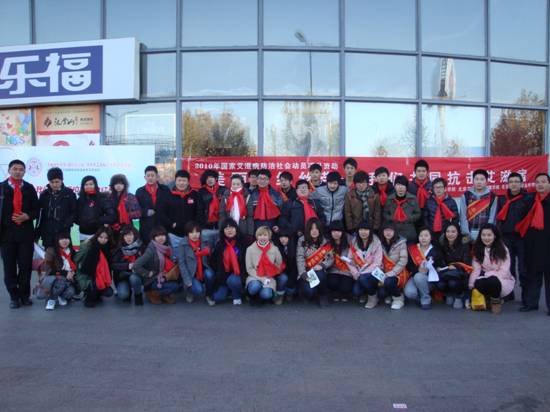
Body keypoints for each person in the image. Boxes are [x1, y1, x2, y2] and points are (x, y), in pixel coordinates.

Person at [0, 160, 39, 308]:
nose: (18, 172)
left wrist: (27, 216)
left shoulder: (29, 188)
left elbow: (37, 210)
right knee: (9, 268)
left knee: (25, 267)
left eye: (21, 169)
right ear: (9, 170)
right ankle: (14, 297)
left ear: (24, 171)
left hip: (25, 235)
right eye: (15, 169)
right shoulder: (1, 188)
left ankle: (24, 295)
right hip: (6, 235)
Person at [518, 172, 550, 314]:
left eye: (543, 182)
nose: (540, 184)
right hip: (533, 243)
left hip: (548, 243)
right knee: (533, 274)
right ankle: (531, 303)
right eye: (537, 182)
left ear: (549, 184)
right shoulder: (530, 200)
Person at [495, 172, 529, 303]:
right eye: (511, 182)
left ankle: (526, 297)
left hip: (522, 238)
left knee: (523, 268)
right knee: (508, 267)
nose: (514, 184)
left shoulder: (527, 199)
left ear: (521, 183)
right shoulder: (502, 199)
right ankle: (509, 293)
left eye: (516, 181)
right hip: (506, 237)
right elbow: (498, 219)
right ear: (508, 184)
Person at [469, 223, 515, 314]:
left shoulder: (503, 249)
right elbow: (476, 269)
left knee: (493, 281)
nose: (486, 238)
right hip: (485, 276)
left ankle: (495, 301)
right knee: (477, 283)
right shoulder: (477, 249)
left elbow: (505, 270)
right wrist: (471, 283)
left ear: (495, 236)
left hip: (501, 278)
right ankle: (487, 298)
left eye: (489, 235)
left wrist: (490, 275)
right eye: (483, 235)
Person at [132, 226, 181, 305]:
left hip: (165, 275)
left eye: (162, 235)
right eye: (157, 236)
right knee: (174, 286)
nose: (161, 238)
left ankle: (164, 295)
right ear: (154, 238)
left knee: (179, 283)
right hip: (153, 279)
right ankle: (153, 293)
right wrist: (147, 273)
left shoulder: (167, 248)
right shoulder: (151, 250)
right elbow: (136, 266)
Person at [404, 228, 445, 310]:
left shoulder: (436, 250)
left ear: (431, 237)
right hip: (415, 276)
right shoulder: (412, 249)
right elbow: (408, 266)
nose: (423, 238)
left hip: (430, 279)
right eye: (421, 236)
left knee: (419, 276)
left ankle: (426, 299)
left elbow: (441, 265)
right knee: (410, 293)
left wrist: (433, 269)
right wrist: (418, 269)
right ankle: (420, 296)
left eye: (426, 236)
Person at [296, 218, 334, 307]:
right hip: (307, 271)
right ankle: (308, 292)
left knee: (321, 274)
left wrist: (322, 265)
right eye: (311, 228)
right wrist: (303, 273)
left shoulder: (325, 241)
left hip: (319, 270)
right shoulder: (302, 240)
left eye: (316, 228)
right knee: (309, 291)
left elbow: (331, 258)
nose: (314, 231)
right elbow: (299, 257)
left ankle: (322, 295)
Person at [36, 167, 77, 248]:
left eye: (57, 182)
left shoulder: (69, 193)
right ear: (48, 181)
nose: (54, 184)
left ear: (62, 180)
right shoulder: (44, 194)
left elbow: (74, 212)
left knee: (64, 255)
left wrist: (66, 224)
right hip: (47, 234)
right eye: (52, 182)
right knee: (49, 254)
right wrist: (38, 231)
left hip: (63, 234)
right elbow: (41, 215)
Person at [176, 221, 216, 306]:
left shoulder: (205, 240)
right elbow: (181, 264)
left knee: (209, 274)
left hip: (203, 268)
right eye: (191, 232)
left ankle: (209, 295)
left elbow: (212, 257)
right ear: (187, 233)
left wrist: (209, 252)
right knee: (198, 290)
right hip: (191, 273)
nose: (195, 235)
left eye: (197, 232)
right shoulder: (183, 244)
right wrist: (187, 280)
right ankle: (189, 291)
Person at [210, 219, 248, 305]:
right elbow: (213, 261)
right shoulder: (220, 244)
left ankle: (237, 295)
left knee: (234, 280)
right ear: (223, 231)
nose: (229, 230)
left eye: (231, 227)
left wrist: (242, 275)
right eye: (226, 228)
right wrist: (219, 272)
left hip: (238, 275)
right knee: (217, 297)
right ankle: (230, 289)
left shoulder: (243, 242)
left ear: (236, 229)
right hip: (224, 276)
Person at [75, 227, 115, 308]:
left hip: (100, 276)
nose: (103, 240)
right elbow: (76, 260)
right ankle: (88, 296)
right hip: (86, 275)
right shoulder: (87, 246)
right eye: (101, 237)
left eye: (106, 238)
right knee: (94, 286)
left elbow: (108, 267)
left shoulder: (108, 249)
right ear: (97, 236)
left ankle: (97, 294)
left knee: (109, 292)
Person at [245, 226, 286, 305]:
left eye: (265, 235)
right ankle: (251, 296)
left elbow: (279, 263)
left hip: (268, 277)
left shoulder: (274, 248)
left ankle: (260, 297)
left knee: (266, 295)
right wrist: (261, 279)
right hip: (255, 276)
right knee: (254, 287)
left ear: (269, 237)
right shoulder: (250, 249)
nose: (262, 237)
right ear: (257, 236)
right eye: (260, 235)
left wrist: (272, 269)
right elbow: (249, 269)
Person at [37, 232, 78, 310]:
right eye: (61, 239)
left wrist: (73, 273)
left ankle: (59, 296)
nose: (65, 241)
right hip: (54, 277)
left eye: (67, 238)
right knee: (61, 281)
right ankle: (51, 300)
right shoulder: (51, 250)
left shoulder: (71, 251)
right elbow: (48, 269)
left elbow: (75, 266)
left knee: (70, 292)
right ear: (57, 240)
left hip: (68, 278)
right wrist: (65, 273)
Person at [347, 221, 383, 309]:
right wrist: (355, 272)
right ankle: (366, 292)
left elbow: (377, 262)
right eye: (361, 229)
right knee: (356, 292)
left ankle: (373, 296)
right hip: (359, 272)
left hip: (373, 272)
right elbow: (349, 260)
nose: (363, 232)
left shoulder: (376, 242)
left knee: (363, 278)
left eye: (366, 229)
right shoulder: (354, 242)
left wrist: (362, 273)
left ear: (370, 231)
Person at [437, 222, 472, 310]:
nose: (450, 234)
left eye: (453, 231)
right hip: (446, 271)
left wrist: (456, 266)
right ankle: (448, 294)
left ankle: (458, 295)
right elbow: (440, 260)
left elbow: (467, 264)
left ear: (458, 233)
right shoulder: (442, 243)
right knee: (440, 284)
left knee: (453, 282)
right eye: (448, 231)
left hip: (460, 273)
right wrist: (441, 267)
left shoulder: (464, 244)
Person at [167, 169, 204, 250]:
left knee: (191, 254)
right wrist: (171, 224)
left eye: (184, 181)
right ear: (175, 181)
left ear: (188, 182)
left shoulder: (195, 195)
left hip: (192, 234)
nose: (181, 183)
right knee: (176, 255)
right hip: (174, 234)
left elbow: (200, 212)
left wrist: (195, 228)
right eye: (179, 180)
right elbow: (163, 213)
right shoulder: (168, 195)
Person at [135, 165, 171, 243]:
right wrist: (145, 212)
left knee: (162, 247)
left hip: (162, 225)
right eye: (148, 176)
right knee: (148, 247)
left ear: (157, 177)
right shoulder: (139, 191)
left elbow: (170, 206)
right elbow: (136, 210)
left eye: (152, 175)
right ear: (145, 177)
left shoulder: (165, 189)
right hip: (146, 226)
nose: (150, 178)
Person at [459, 169, 497, 243]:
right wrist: (466, 233)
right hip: (469, 232)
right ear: (473, 180)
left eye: (482, 179)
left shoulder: (492, 196)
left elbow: (492, 217)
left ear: (486, 181)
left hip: (485, 236)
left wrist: (487, 234)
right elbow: (463, 216)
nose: (479, 182)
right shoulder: (466, 195)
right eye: (476, 179)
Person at [75, 175, 116, 242]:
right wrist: (81, 222)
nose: (88, 186)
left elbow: (112, 216)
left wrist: (97, 220)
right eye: (86, 184)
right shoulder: (80, 199)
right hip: (82, 233)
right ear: (83, 186)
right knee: (83, 249)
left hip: (98, 234)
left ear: (95, 185)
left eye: (91, 184)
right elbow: (75, 215)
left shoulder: (102, 198)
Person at [378, 222, 409, 310]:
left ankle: (398, 298)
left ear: (395, 231)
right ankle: (391, 294)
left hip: (398, 272)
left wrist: (391, 273)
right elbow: (378, 259)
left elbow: (403, 261)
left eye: (391, 230)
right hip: (385, 271)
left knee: (388, 281)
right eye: (386, 230)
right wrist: (380, 271)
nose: (388, 233)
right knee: (381, 293)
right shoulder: (379, 242)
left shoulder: (401, 242)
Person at [110, 225, 143, 305]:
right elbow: (113, 265)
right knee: (123, 295)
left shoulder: (141, 247)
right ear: (123, 237)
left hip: (137, 275)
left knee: (134, 278)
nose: (128, 237)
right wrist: (127, 266)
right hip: (122, 277)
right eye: (126, 235)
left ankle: (138, 295)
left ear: (135, 235)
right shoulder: (119, 249)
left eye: (130, 235)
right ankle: (128, 291)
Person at [383, 175, 421, 243]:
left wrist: (409, 218)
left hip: (408, 230)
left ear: (406, 187)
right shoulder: (390, 198)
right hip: (394, 230)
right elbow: (385, 213)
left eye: (403, 185)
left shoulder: (413, 198)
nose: (400, 187)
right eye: (398, 185)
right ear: (395, 186)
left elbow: (418, 213)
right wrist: (391, 218)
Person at [219, 174, 253, 240]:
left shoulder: (247, 195)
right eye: (233, 184)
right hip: (229, 228)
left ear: (242, 184)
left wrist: (250, 233)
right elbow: (222, 214)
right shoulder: (226, 195)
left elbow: (250, 216)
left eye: (238, 184)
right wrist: (221, 230)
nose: (235, 186)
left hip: (243, 228)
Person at [326, 221, 354, 302]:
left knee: (345, 287)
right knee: (333, 283)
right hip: (333, 269)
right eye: (334, 231)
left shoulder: (350, 240)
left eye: (338, 231)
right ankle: (335, 293)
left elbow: (354, 256)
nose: (336, 233)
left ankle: (344, 293)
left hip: (346, 269)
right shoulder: (327, 241)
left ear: (342, 232)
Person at [198, 169, 227, 247]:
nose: (210, 180)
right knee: (206, 250)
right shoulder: (201, 192)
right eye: (207, 178)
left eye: (212, 177)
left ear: (216, 179)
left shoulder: (224, 190)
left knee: (220, 249)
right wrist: (201, 225)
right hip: (206, 227)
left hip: (221, 226)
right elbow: (199, 210)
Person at [274, 226, 298, 301]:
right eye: (281, 237)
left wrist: (291, 280)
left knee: (292, 285)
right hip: (280, 273)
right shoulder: (276, 248)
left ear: (289, 238)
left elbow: (296, 267)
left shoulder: (295, 248)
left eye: (285, 237)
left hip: (292, 273)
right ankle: (279, 294)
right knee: (283, 278)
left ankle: (289, 292)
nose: (283, 239)